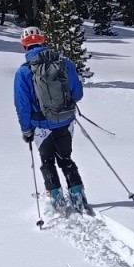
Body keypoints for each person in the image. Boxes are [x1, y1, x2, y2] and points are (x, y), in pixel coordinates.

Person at [14, 26, 88, 213]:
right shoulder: (65, 63)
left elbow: (22, 105)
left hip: (41, 126)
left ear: (24, 46)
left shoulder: (23, 72)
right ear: (43, 40)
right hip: (65, 120)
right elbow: (77, 94)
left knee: (47, 161)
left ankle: (56, 199)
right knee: (66, 158)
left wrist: (26, 130)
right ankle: (77, 196)